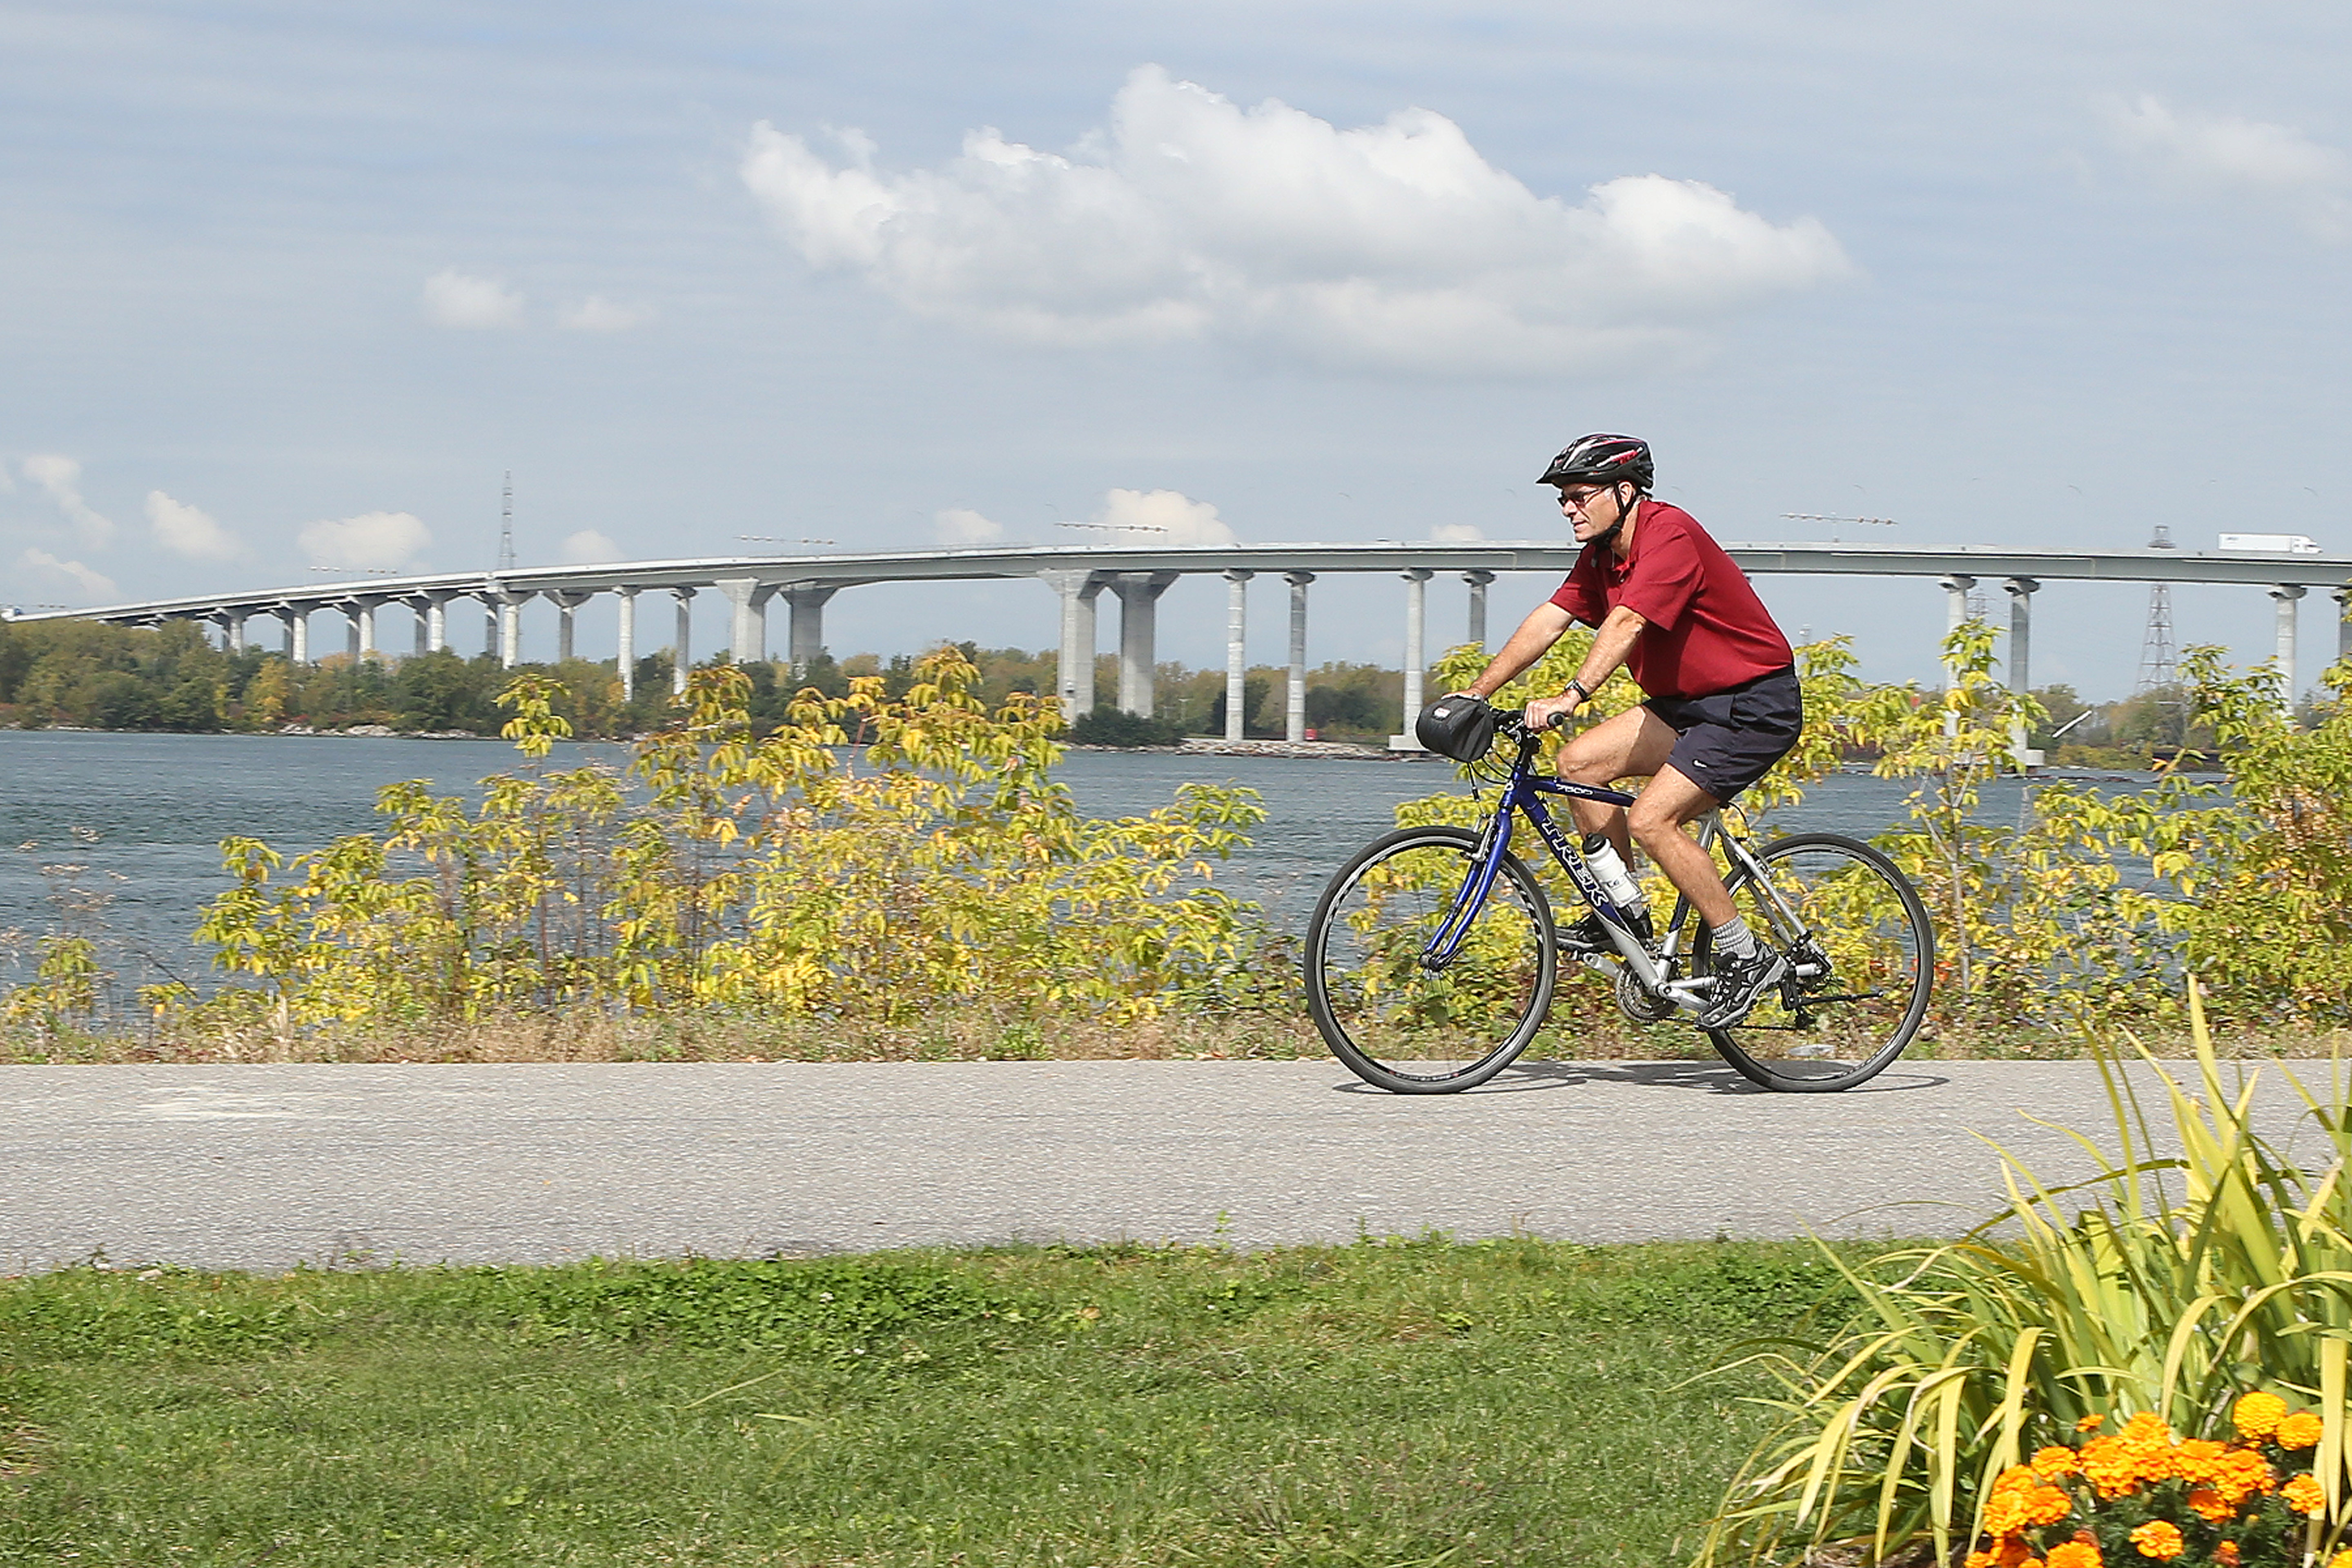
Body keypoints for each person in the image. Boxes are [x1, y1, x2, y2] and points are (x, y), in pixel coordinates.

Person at [1446, 433, 1804, 1029]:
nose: (1569, 509)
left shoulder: (1670, 534)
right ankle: (1626, 915)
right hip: (1683, 705)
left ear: (1625, 490)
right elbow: (1552, 619)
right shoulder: (1602, 556)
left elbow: (1629, 621)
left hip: (1751, 705)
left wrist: (1572, 695)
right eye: (1563, 499)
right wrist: (1478, 693)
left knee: (1650, 819)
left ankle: (1746, 954)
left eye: (1580, 496)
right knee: (1579, 766)